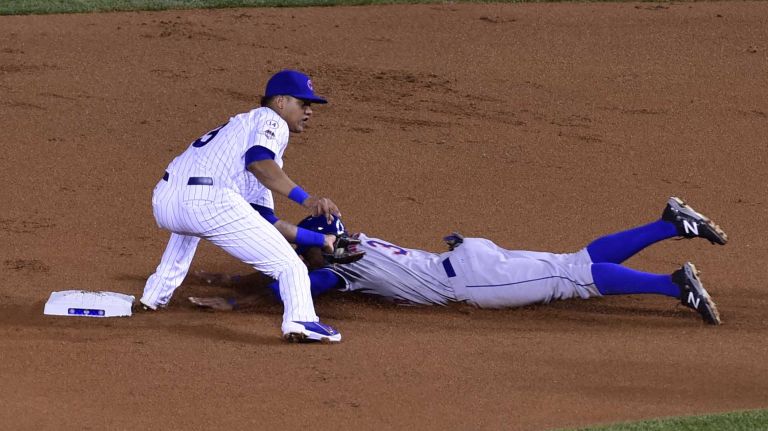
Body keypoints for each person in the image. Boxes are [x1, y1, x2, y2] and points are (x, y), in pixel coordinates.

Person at [190, 197, 727, 325]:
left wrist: (237, 298)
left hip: (473, 279)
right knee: (573, 262)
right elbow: (307, 265)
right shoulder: (346, 243)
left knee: (573, 277)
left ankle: (673, 285)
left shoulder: (340, 266)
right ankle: (669, 223)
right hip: (470, 259)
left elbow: (302, 287)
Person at [141, 69, 344, 343]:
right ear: (281, 101)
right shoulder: (271, 121)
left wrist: (320, 239)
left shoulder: (238, 130)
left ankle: (153, 297)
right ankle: (301, 320)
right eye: (303, 103)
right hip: (207, 201)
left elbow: (263, 219)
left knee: (188, 232)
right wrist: (308, 200)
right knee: (290, 266)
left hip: (165, 202)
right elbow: (259, 162)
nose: (309, 111)